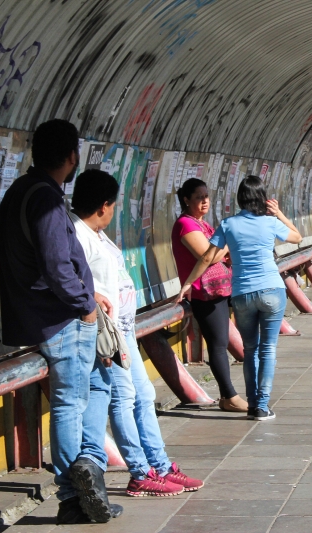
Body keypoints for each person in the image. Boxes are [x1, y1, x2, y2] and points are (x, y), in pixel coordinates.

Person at [0, 120, 120, 524]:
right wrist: (85, 303)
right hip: (60, 319)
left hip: (38, 315)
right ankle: (73, 495)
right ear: (72, 156)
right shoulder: (46, 200)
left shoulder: (19, 190)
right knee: (70, 402)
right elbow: (55, 264)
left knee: (93, 389)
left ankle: (88, 475)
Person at [71, 170, 204, 498]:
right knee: (123, 399)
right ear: (103, 205)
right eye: (113, 206)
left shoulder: (96, 233)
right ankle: (140, 472)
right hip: (108, 334)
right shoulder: (77, 234)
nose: (113, 211)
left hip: (125, 329)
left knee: (143, 395)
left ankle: (160, 464)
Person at [177, 176, 302, 421]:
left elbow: (206, 258)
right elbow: (297, 237)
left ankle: (253, 404)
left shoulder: (228, 224)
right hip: (272, 291)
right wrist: (279, 214)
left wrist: (188, 283)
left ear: (240, 199)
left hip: (242, 293)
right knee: (268, 349)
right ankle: (262, 406)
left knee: (250, 349)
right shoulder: (270, 222)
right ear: (262, 198)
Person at [172, 178, 247, 413]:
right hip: (202, 292)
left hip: (218, 290)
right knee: (217, 344)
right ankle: (229, 395)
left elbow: (216, 253)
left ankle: (227, 397)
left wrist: (223, 248)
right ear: (186, 200)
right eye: (199, 197)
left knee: (220, 341)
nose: (205, 201)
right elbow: (208, 256)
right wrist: (227, 244)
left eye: (206, 196)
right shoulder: (186, 224)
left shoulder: (202, 224)